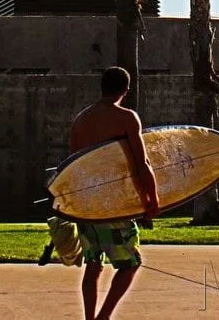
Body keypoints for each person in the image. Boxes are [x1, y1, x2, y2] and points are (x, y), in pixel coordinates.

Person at [69, 67, 159, 320]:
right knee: (131, 263)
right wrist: (153, 198)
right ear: (126, 91)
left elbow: (72, 167)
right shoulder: (127, 117)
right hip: (114, 203)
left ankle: (90, 318)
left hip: (86, 205)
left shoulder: (81, 120)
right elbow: (141, 163)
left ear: (102, 87)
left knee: (93, 265)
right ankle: (104, 317)